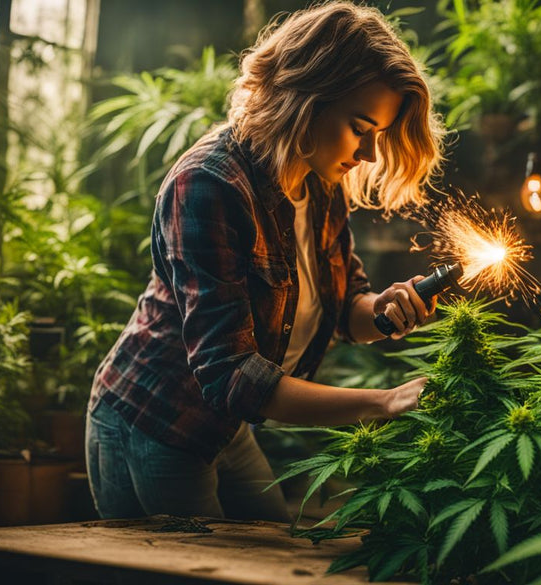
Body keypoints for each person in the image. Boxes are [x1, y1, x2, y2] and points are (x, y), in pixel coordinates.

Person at [85, 1, 446, 523]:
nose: (369, 154)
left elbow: (346, 310)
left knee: (273, 547)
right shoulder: (208, 185)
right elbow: (230, 375)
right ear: (306, 100)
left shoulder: (322, 183)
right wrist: (384, 402)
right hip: (156, 422)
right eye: (360, 127)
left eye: (378, 135)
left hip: (228, 427)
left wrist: (384, 308)